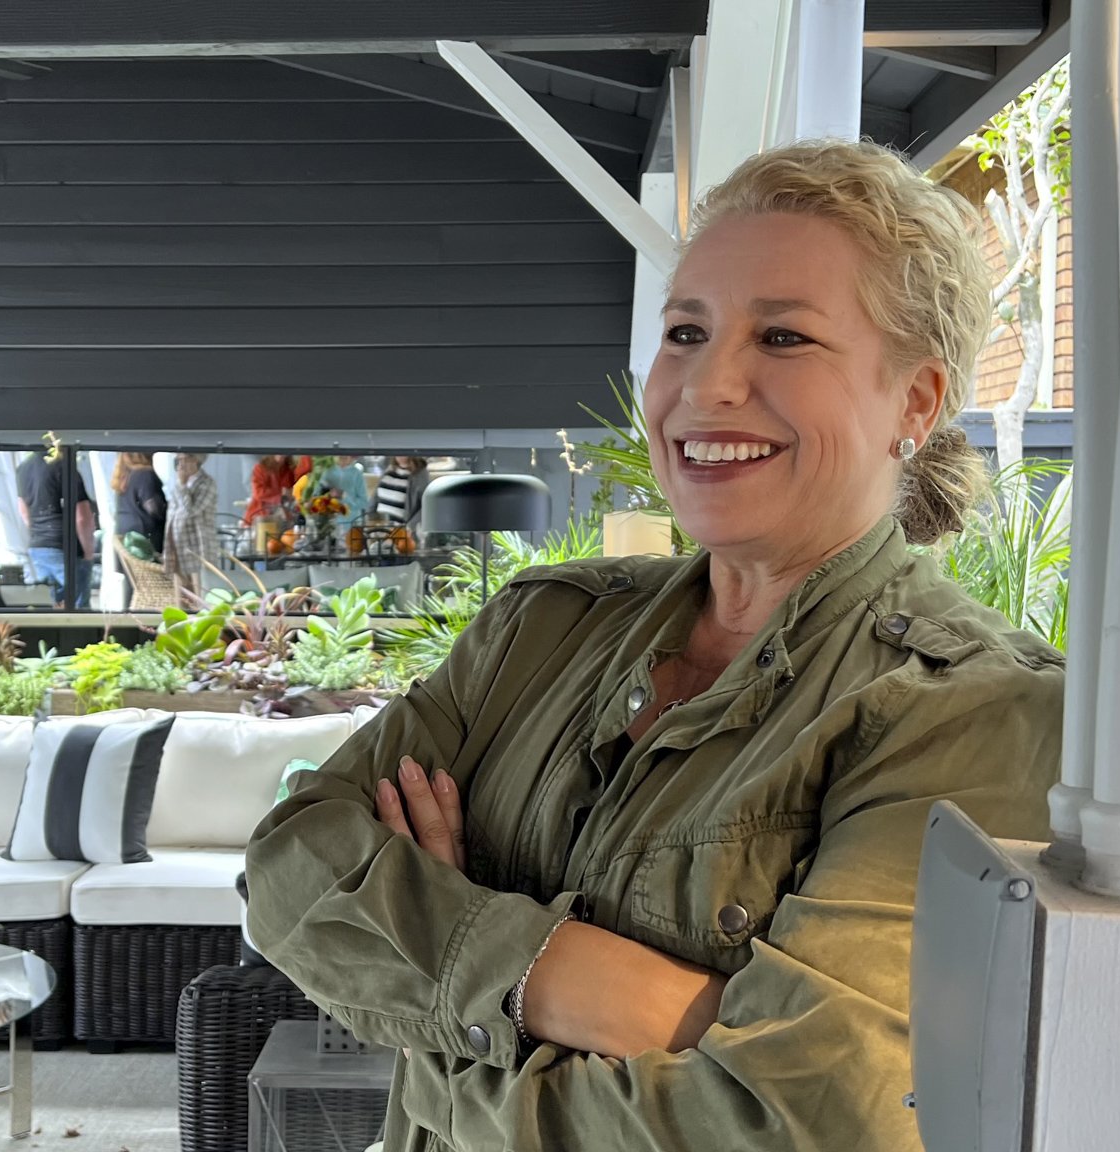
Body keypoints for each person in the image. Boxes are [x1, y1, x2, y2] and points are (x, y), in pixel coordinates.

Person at [244, 139, 1062, 1152]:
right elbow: (290, 860)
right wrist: (573, 977)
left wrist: (444, 1043)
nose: (705, 386)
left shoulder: (968, 708)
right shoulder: (539, 629)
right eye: (685, 331)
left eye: (783, 339)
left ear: (915, 400)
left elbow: (798, 1121)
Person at [16, 446, 96, 609]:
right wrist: (88, 551)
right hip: (65, 546)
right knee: (78, 607)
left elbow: (23, 509)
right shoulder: (64, 467)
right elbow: (82, 516)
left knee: (50, 605)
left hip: (38, 546)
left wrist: (39, 532)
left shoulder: (24, 468)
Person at [164, 452, 220, 598]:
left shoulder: (207, 483)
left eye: (186, 459)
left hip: (198, 543)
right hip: (178, 540)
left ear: (196, 460)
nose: (181, 464)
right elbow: (173, 511)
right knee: (180, 587)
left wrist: (183, 486)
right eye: (179, 459)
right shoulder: (176, 482)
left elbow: (191, 510)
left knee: (199, 589)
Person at [112, 452, 168, 553]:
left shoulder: (124, 477)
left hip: (126, 540)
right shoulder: (145, 474)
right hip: (145, 542)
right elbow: (154, 508)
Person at [374, 455, 430, 541]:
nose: (399, 456)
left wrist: (410, 527)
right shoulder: (389, 467)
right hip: (380, 530)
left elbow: (427, 506)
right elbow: (375, 498)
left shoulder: (420, 473)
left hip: (401, 534)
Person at [245, 454, 307, 530]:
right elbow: (258, 492)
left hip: (283, 518)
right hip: (260, 515)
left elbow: (303, 475)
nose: (281, 455)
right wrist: (281, 493)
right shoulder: (261, 468)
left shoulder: (289, 469)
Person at [314, 454, 370, 530]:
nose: (343, 456)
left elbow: (363, 503)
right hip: (330, 526)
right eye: (340, 454)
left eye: (347, 454)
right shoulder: (328, 472)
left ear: (353, 457)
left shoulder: (357, 475)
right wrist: (328, 495)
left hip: (351, 526)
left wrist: (345, 496)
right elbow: (316, 497)